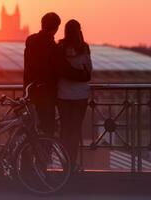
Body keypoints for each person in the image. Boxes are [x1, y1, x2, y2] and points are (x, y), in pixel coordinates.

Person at [24, 13, 90, 137]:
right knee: (47, 130)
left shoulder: (31, 41)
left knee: (30, 132)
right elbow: (65, 70)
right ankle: (44, 157)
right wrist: (84, 75)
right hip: (46, 95)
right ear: (56, 28)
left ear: (42, 24)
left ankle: (26, 156)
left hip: (29, 93)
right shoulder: (53, 48)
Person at [57, 19, 93, 171]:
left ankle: (64, 162)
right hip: (80, 95)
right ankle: (72, 162)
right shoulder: (83, 47)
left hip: (63, 94)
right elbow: (89, 70)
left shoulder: (60, 47)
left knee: (65, 129)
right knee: (75, 129)